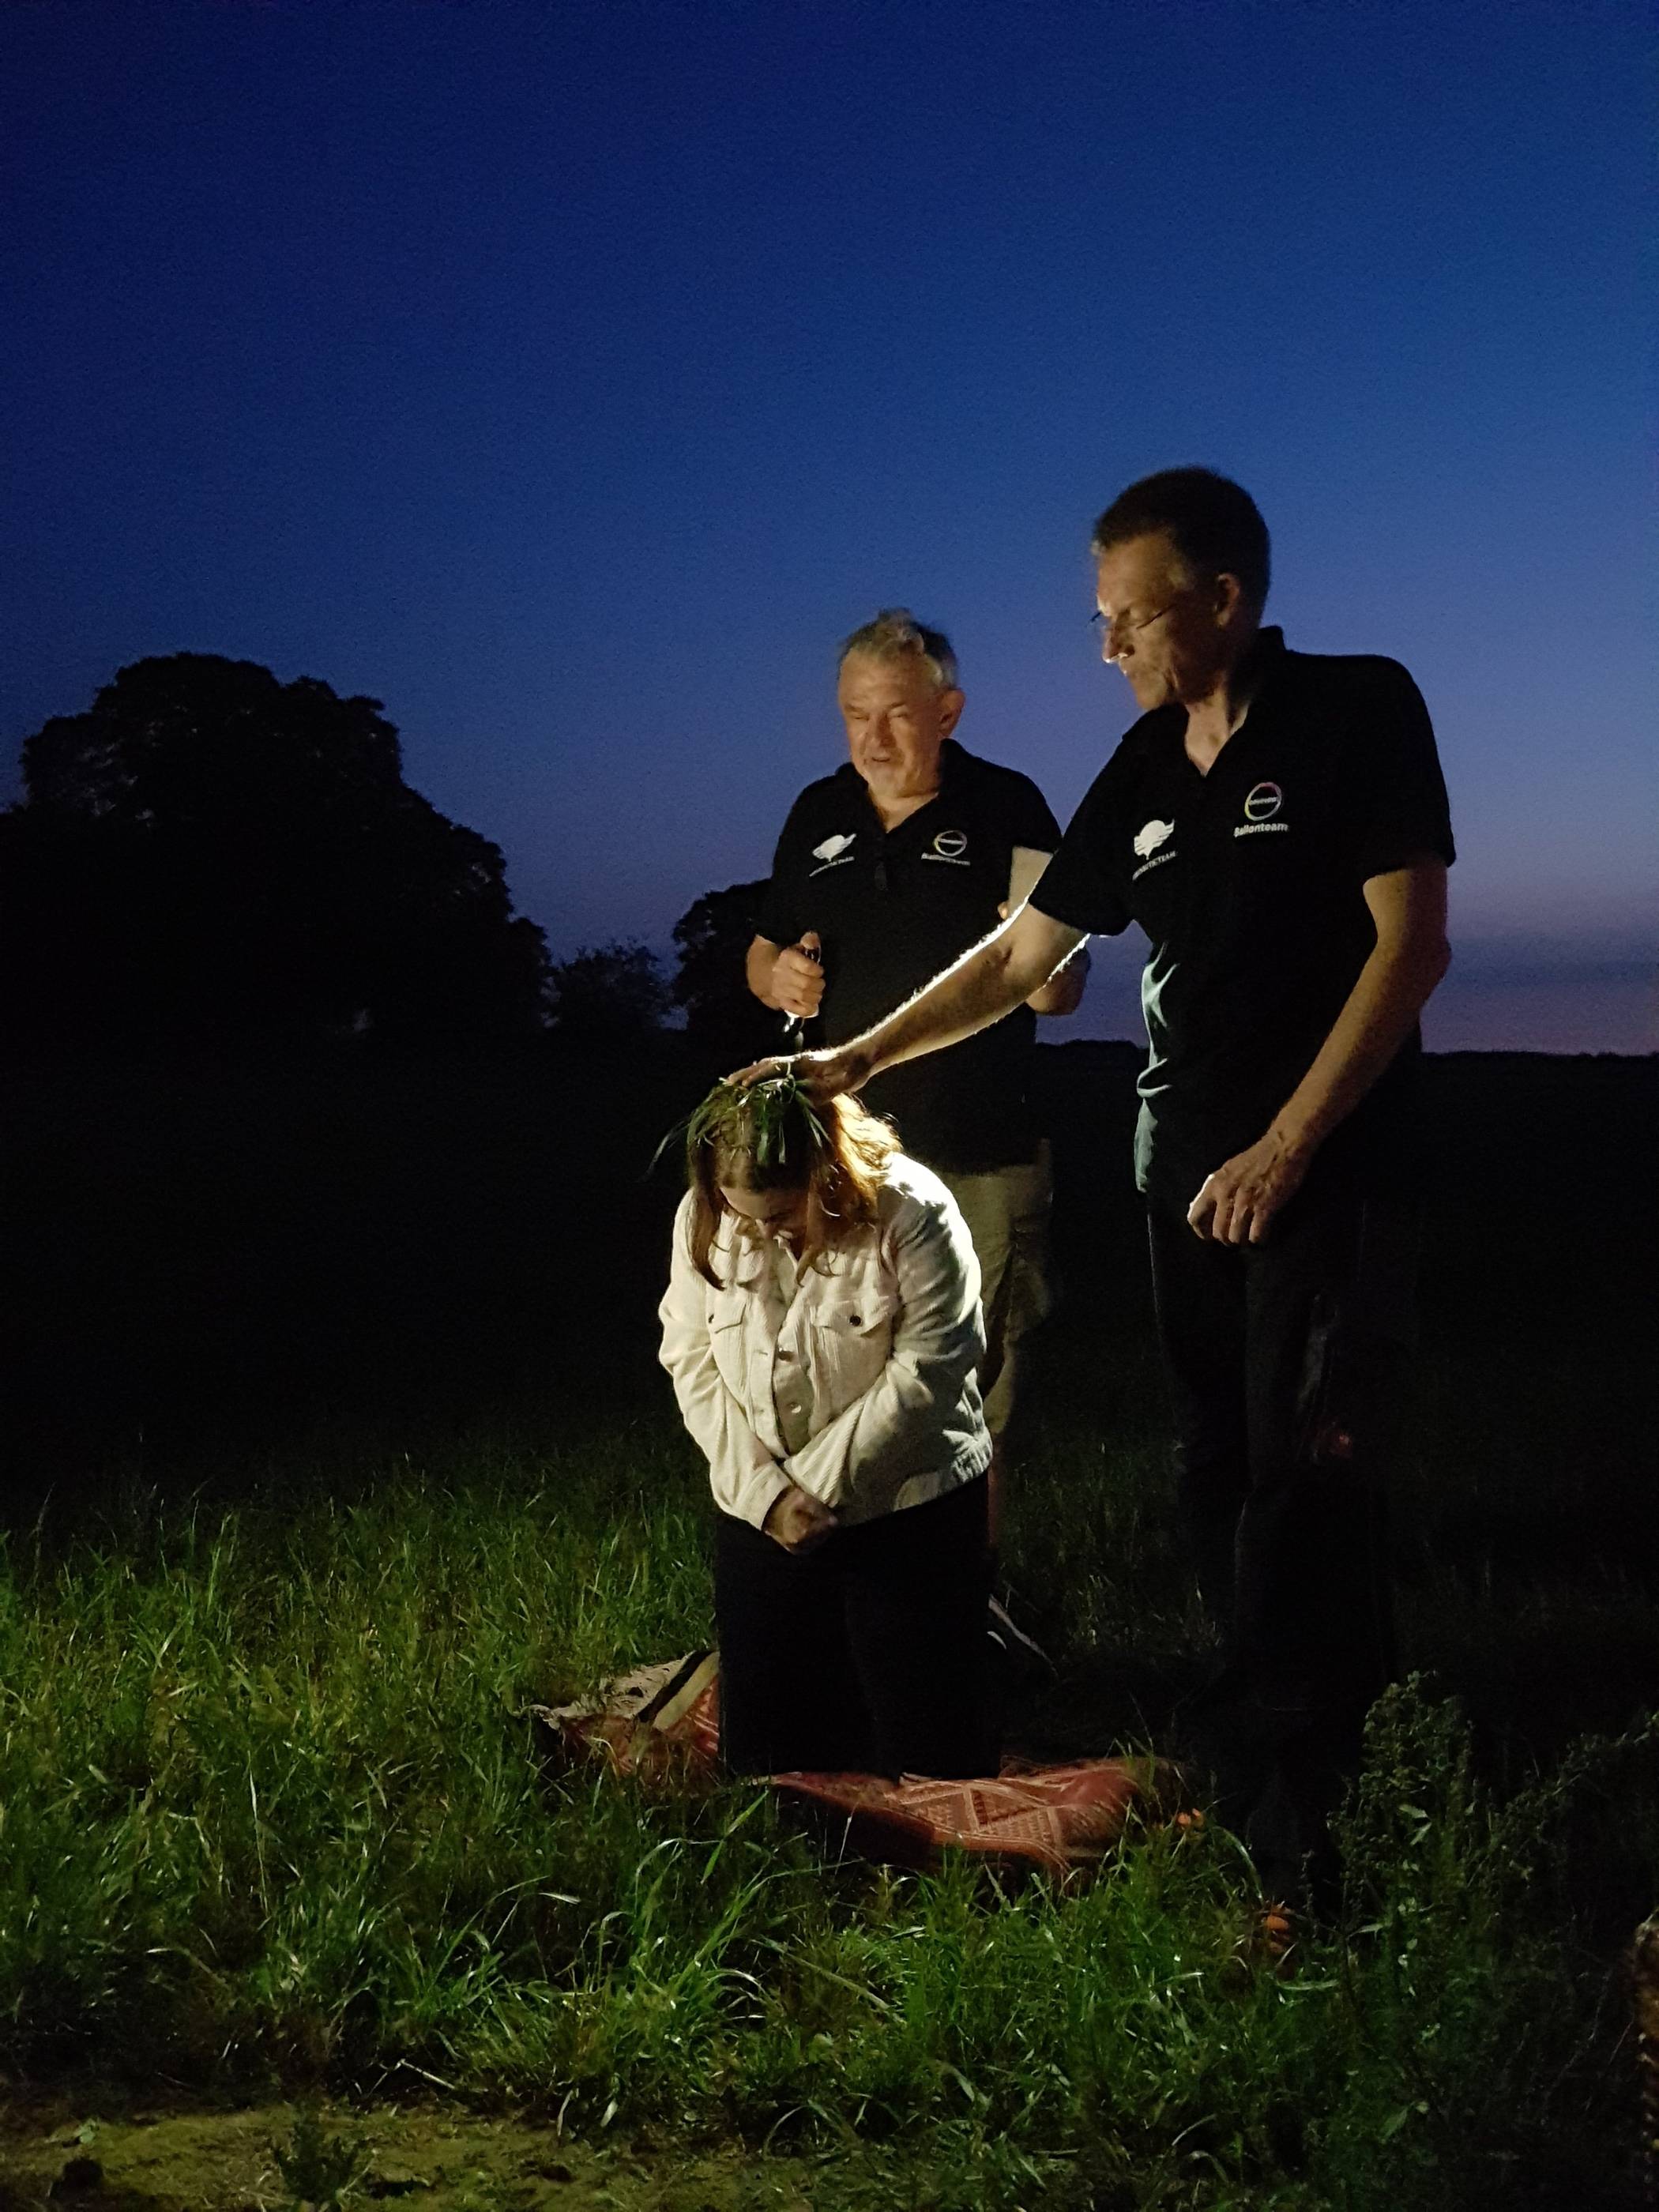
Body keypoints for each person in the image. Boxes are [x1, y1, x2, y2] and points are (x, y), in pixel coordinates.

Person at [745, 472, 1454, 1900]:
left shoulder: (1357, 709)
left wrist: (1288, 1146)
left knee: (1307, 1482)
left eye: (1130, 616)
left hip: (1322, 1167)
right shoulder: (1142, 766)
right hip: (1183, 1172)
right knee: (1217, 1471)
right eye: (1101, 620)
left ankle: (1315, 1839)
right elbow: (1021, 956)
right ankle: (1266, 1770)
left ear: (1223, 598)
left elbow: (1410, 947)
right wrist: (863, 1055)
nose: (1108, 645)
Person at [745, 609, 1089, 1594]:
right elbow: (763, 952)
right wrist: (780, 979)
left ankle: (966, 1601)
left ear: (948, 711)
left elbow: (1061, 988)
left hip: (978, 1148)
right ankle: (850, 1595)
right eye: (855, 714)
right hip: (839, 1163)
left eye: (896, 713)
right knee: (834, 1381)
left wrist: (1036, 960)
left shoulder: (1009, 805)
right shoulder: (818, 812)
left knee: (971, 1393)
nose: (873, 738)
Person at [658, 1073, 996, 1778]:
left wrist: (814, 1490)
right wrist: (768, 1497)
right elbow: (689, 1356)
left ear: (827, 1174)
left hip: (907, 1500)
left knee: (929, 1758)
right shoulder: (704, 1215)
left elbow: (929, 1369)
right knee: (767, 1762)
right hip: (766, 1507)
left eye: (782, 1213)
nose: (760, 1231)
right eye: (741, 1213)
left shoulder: (914, 1212)